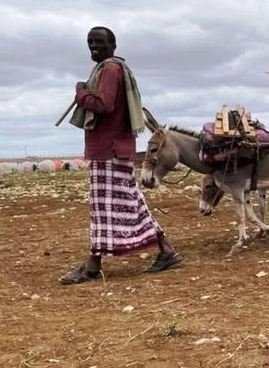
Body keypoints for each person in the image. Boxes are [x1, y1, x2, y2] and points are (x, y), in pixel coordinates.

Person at [59, 27, 182, 285]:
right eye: (90, 42)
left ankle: (93, 266)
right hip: (114, 149)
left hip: (108, 150)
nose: (94, 46)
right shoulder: (112, 68)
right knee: (127, 202)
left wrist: (80, 93)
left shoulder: (110, 69)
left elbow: (103, 104)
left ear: (113, 45)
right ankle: (165, 250)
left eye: (99, 42)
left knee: (107, 208)